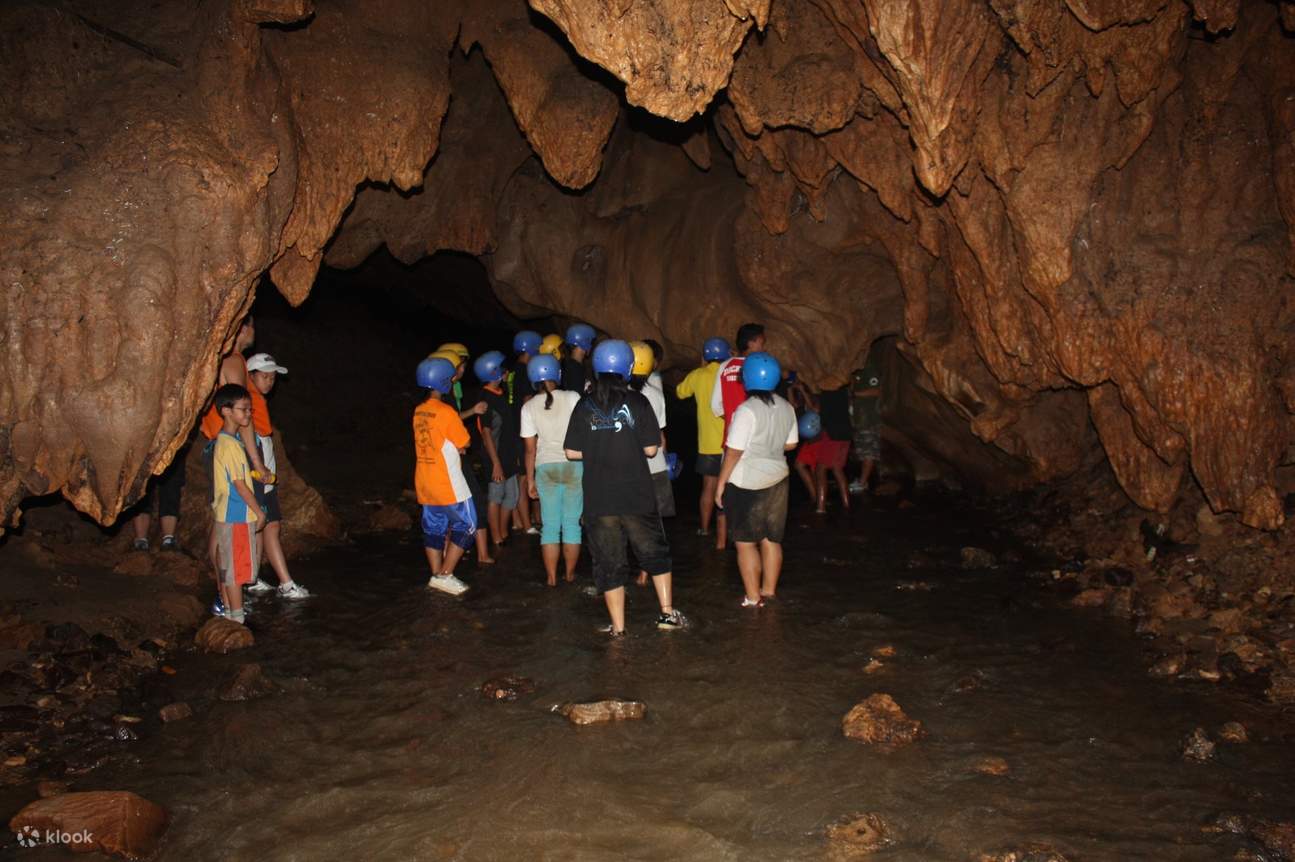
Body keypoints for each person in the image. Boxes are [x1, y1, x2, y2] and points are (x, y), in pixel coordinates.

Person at [563, 340, 685, 636]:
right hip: (636, 495)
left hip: (599, 498)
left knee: (609, 562)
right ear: (628, 368)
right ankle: (667, 615)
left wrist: (597, 446)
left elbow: (571, 452)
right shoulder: (638, 402)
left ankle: (618, 629)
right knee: (654, 553)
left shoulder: (584, 404)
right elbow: (652, 449)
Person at [715, 352, 798, 607]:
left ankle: (753, 598)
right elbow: (791, 444)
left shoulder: (746, 410)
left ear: (747, 378)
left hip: (746, 482)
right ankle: (769, 591)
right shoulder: (787, 407)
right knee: (771, 539)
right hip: (778, 479)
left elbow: (734, 451)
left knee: (745, 543)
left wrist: (720, 484)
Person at [199, 316, 267, 594]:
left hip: (216, 444)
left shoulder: (218, 357)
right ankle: (227, 592)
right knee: (228, 523)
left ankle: (226, 592)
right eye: (252, 325)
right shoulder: (234, 359)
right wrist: (256, 461)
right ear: (242, 328)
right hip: (230, 447)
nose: (255, 332)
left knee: (222, 519)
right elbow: (243, 414)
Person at [241, 354, 311, 600]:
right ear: (250, 376)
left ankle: (252, 578)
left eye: (272, 377)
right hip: (257, 473)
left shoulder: (258, 401)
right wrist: (259, 468)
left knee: (268, 526)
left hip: (265, 475)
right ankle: (285, 583)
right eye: (264, 376)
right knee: (266, 526)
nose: (270, 381)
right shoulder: (247, 402)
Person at [414, 356, 477, 595]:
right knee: (468, 525)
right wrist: (460, 446)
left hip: (425, 481)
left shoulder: (419, 411)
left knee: (434, 528)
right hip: (448, 483)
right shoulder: (446, 411)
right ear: (444, 382)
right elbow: (465, 441)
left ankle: (437, 575)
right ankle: (446, 573)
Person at [520, 355, 583, 586]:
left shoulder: (528, 407)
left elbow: (530, 449)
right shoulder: (572, 397)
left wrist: (529, 480)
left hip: (545, 468)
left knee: (549, 526)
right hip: (573, 465)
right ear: (557, 374)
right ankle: (569, 574)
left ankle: (551, 578)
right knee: (571, 525)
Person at [209, 384, 266, 624]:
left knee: (231, 568)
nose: (248, 414)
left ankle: (234, 614)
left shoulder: (225, 441)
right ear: (226, 411)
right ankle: (237, 618)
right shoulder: (230, 445)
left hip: (227, 513)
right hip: (236, 514)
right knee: (236, 570)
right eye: (243, 409)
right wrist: (258, 511)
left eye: (249, 409)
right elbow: (240, 484)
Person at [433, 348, 494, 566]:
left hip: (440, 460)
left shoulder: (438, 395)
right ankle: (480, 555)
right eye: (461, 366)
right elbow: (452, 422)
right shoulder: (444, 394)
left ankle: (444, 560)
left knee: (443, 510)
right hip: (451, 457)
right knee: (473, 500)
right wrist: (473, 412)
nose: (463, 370)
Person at [677, 337, 730, 548]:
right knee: (728, 488)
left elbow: (680, 393)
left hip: (707, 443)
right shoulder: (728, 374)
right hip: (730, 443)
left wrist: (700, 370)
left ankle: (705, 529)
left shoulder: (698, 375)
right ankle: (726, 535)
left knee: (708, 487)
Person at [629, 341, 674, 587]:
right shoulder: (656, 395)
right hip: (655, 467)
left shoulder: (620, 395)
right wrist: (667, 461)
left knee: (633, 522)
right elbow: (661, 436)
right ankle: (653, 570)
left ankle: (642, 568)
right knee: (655, 522)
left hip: (629, 469)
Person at [473, 350, 522, 548]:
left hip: (508, 455)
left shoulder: (500, 393)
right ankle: (496, 537)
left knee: (512, 496)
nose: (505, 371)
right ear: (492, 372)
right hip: (496, 458)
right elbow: (486, 434)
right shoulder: (485, 398)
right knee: (496, 496)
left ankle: (502, 532)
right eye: (501, 368)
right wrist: (496, 464)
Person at [129, 441, 188, 552]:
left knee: (171, 483)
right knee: (143, 482)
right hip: (146, 440)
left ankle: (168, 539)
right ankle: (141, 540)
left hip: (173, 441)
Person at [511, 331, 541, 536]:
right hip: (522, 430)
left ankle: (517, 521)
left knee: (517, 477)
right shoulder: (523, 372)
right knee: (523, 478)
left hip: (511, 429)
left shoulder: (512, 371)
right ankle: (526, 523)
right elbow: (526, 402)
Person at [711, 323, 767, 434]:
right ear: (751, 343)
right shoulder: (759, 367)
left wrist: (734, 421)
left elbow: (715, 406)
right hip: (756, 437)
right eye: (761, 343)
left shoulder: (724, 366)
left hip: (731, 437)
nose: (763, 347)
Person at [849, 360, 883, 494]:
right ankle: (864, 481)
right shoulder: (857, 373)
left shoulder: (869, 370)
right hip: (860, 420)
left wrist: (856, 394)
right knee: (863, 451)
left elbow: (877, 391)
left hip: (869, 420)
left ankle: (863, 483)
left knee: (868, 451)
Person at [560, 323, 595, 394]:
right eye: (589, 341)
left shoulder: (574, 366)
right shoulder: (575, 370)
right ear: (584, 342)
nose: (591, 345)